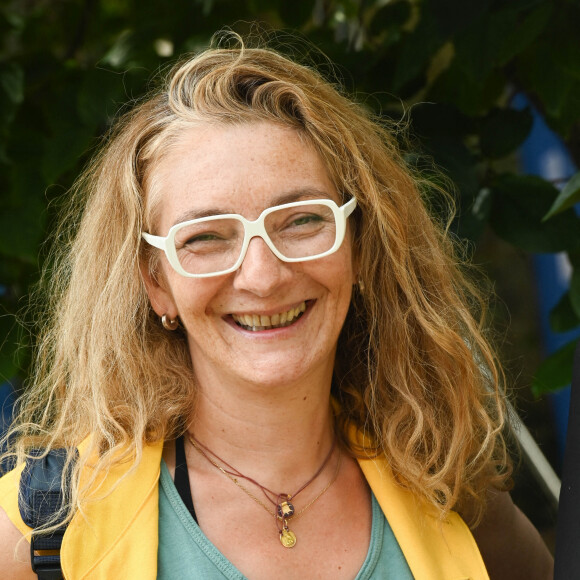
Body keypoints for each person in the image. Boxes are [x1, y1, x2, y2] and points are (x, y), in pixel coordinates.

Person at [0, 32, 553, 579]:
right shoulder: (43, 530)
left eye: (303, 220)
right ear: (156, 282)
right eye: (206, 237)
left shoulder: (449, 486)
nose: (262, 277)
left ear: (359, 243)